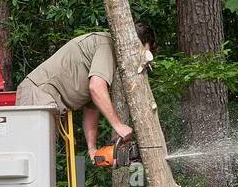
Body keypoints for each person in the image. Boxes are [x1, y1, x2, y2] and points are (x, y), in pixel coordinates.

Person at [15, 25, 157, 162]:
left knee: (43, 161)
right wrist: (118, 125)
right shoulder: (106, 45)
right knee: (35, 160)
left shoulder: (108, 60)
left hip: (48, 100)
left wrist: (92, 149)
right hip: (38, 94)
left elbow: (91, 108)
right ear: (134, 43)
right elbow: (96, 88)